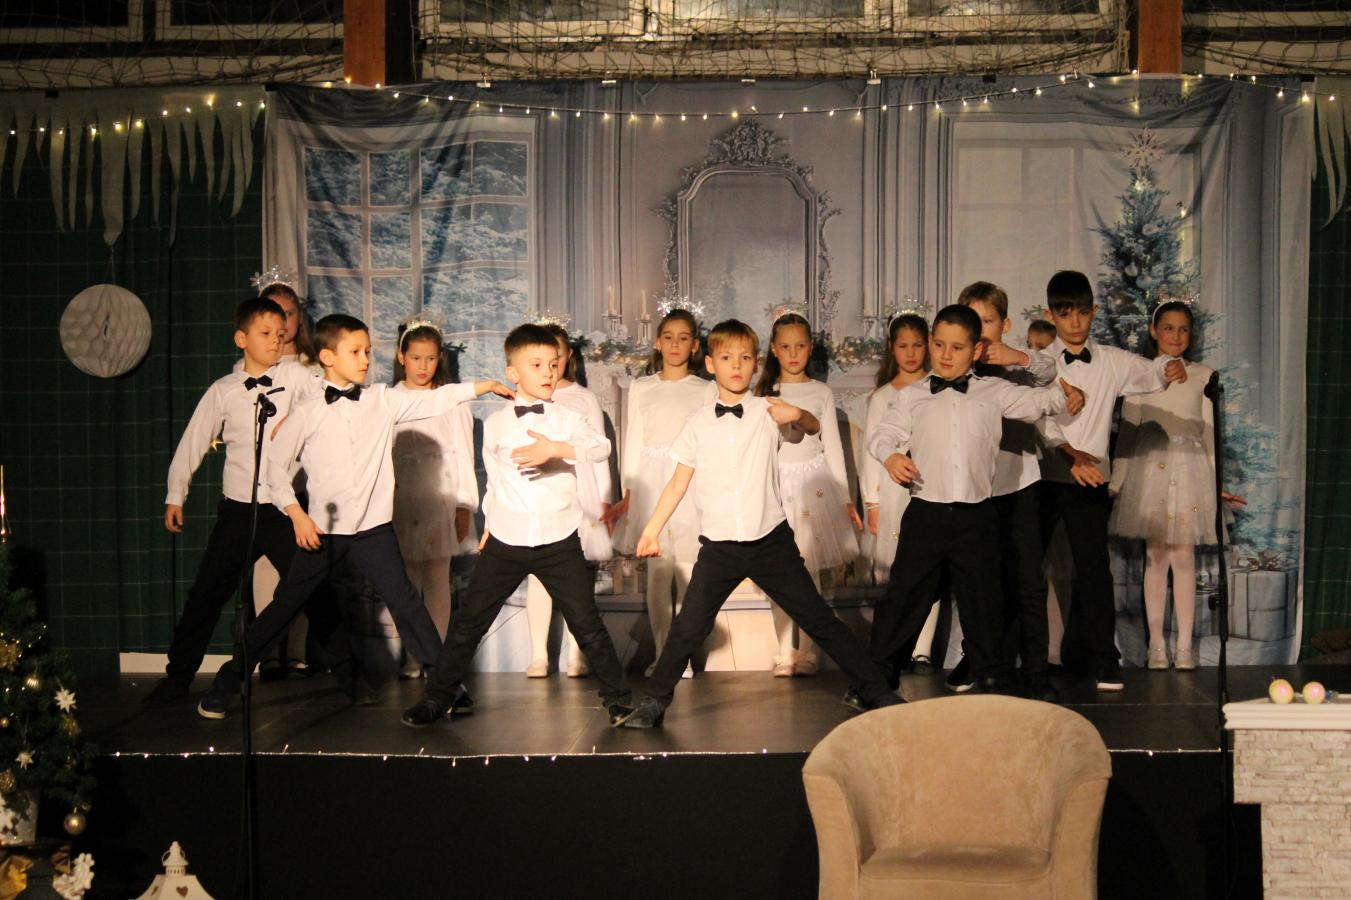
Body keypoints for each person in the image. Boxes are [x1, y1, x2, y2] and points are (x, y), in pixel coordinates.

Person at [196, 314, 514, 718]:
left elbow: (434, 399)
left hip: (372, 531)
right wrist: (296, 515)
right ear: (328, 357)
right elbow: (275, 469)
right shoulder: (307, 412)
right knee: (285, 606)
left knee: (406, 604)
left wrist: (481, 386)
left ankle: (446, 686)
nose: (365, 360)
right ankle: (227, 683)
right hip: (323, 531)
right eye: (356, 352)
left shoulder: (381, 400)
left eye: (367, 351)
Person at [620, 319, 901, 729]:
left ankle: (876, 690)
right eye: (727, 358)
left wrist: (798, 414)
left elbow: (813, 427)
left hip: (770, 542)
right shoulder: (697, 424)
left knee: (818, 618)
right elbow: (677, 483)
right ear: (711, 364)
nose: (736, 365)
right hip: (719, 547)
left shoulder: (769, 412)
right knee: (687, 628)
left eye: (745, 358)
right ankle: (653, 703)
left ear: (756, 363)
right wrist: (651, 529)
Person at [401, 324, 634, 728]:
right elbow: (495, 482)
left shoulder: (567, 417)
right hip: (507, 538)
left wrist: (556, 449)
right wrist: (489, 526)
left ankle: (618, 700)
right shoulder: (496, 424)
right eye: (537, 365)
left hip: (557, 538)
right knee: (469, 624)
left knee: (587, 624)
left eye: (553, 364)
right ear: (513, 373)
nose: (548, 372)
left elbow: (601, 447)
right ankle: (439, 697)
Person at [867, 304, 1078, 695]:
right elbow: (882, 434)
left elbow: (1042, 400)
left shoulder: (994, 392)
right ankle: (877, 677)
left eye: (958, 347)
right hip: (927, 512)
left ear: (976, 350)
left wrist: (1067, 397)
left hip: (977, 515)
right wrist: (892, 456)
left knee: (983, 598)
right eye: (940, 345)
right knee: (905, 596)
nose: (946, 355)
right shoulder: (912, 396)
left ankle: (991, 672)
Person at [144, 298, 315, 708]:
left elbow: (329, 394)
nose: (275, 341)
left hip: (284, 510)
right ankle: (178, 677)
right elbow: (194, 441)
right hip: (239, 511)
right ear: (241, 339)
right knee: (205, 596)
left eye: (280, 334)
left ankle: (351, 676)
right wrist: (176, 493)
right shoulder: (223, 390)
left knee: (314, 587)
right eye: (265, 333)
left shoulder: (294, 376)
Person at [1035, 270, 1187, 691]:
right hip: (1044, 477)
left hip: (1088, 481)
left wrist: (1168, 367)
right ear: (1051, 315)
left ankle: (1105, 659)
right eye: (1065, 313)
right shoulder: (1041, 362)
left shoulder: (1112, 360)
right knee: (1025, 568)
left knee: (1094, 570)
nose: (1075, 321)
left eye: (1083, 312)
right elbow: (1038, 420)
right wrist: (1069, 455)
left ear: (1094, 311)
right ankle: (1020, 660)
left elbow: (1149, 372)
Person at [958, 281, 1083, 702]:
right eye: (974, 321)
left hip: (1020, 485)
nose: (982, 330)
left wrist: (1018, 356)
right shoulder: (959, 367)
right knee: (982, 582)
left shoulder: (1019, 365)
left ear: (1005, 324)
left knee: (1029, 581)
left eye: (988, 321)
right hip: (974, 489)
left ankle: (1036, 672)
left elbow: (1049, 371)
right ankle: (983, 665)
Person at [1108, 301, 1244, 670]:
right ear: (1154, 331)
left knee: (1183, 557)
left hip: (1189, 472)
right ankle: (1156, 645)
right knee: (1156, 557)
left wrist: (1215, 484)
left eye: (1183, 329)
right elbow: (1129, 435)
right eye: (1168, 328)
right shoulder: (1140, 377)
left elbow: (1209, 435)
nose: (1176, 335)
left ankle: (1184, 646)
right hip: (1149, 472)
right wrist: (1117, 481)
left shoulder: (1203, 376)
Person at [601, 308, 710, 678]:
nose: (675, 345)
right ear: (658, 343)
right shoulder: (643, 387)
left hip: (689, 482)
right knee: (659, 573)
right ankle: (663, 655)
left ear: (694, 346)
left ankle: (682, 655)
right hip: (652, 483)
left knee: (689, 573)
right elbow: (633, 441)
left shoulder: (705, 389)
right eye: (668, 337)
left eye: (683, 338)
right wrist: (629, 492)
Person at [756, 312, 861, 676]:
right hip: (777, 487)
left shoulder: (820, 392)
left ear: (810, 347)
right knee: (778, 571)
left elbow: (833, 447)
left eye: (800, 346)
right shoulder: (765, 395)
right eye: (785, 347)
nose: (793, 353)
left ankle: (810, 652)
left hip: (812, 488)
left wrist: (845, 497)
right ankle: (785, 651)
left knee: (809, 570)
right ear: (774, 349)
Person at [523, 322, 613, 678]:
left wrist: (604, 498)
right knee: (539, 572)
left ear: (568, 356)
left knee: (577, 575)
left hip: (579, 490)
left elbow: (599, 450)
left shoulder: (583, 398)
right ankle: (538, 655)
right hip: (540, 491)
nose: (551, 365)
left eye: (557, 356)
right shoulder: (527, 398)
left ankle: (578, 654)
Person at [390, 319, 479, 673]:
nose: (423, 366)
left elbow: (463, 455)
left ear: (439, 358)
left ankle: (436, 654)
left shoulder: (452, 402)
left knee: (438, 576)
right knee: (406, 579)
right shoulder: (389, 400)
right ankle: (412, 654)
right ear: (401, 357)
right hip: (400, 499)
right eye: (415, 358)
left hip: (439, 498)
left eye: (430, 358)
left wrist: (463, 505)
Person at [862, 313, 938, 674]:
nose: (910, 353)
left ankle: (923, 649)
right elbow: (870, 452)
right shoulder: (883, 397)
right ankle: (897, 646)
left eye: (917, 345)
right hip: (894, 493)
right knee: (899, 574)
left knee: (930, 570)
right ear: (892, 348)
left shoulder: (938, 388)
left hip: (930, 489)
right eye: (903, 346)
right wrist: (872, 502)